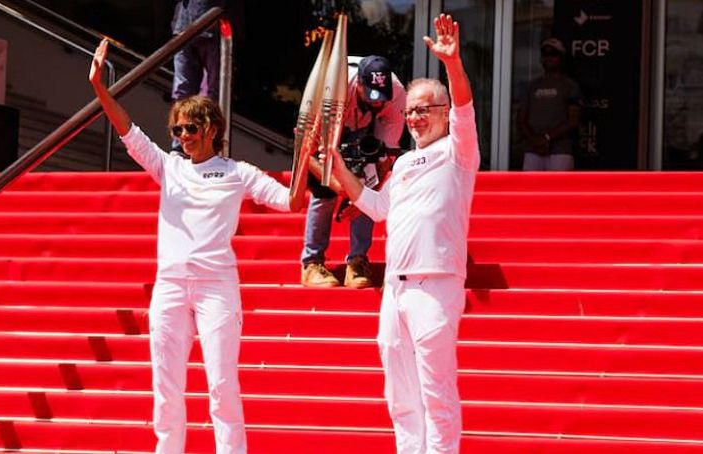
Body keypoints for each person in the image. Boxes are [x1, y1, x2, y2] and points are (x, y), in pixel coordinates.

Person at [89, 39, 308, 454]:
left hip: (216, 288)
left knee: (222, 385)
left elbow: (291, 202)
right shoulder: (168, 167)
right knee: (166, 385)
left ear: (211, 129)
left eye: (190, 128)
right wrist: (101, 87)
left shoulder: (238, 172)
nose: (183, 136)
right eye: (178, 129)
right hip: (170, 286)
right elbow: (127, 129)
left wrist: (307, 157)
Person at [325, 14, 478, 452]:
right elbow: (376, 207)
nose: (413, 118)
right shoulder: (407, 162)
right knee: (400, 393)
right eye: (409, 110)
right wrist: (336, 165)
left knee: (436, 390)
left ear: (443, 114)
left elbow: (465, 108)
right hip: (394, 286)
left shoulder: (459, 151)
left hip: (437, 285)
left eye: (423, 110)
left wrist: (452, 64)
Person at [301, 54, 406, 289]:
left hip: (366, 131)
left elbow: (385, 157)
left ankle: (358, 260)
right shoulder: (330, 88)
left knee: (368, 180)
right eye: (371, 96)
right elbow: (306, 151)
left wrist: (364, 198)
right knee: (323, 190)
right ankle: (312, 262)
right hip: (331, 125)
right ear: (358, 84)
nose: (377, 102)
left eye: (382, 98)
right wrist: (340, 188)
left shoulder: (397, 95)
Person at [518, 37, 582, 171]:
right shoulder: (531, 86)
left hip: (560, 150)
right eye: (545, 54)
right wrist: (535, 141)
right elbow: (521, 118)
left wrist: (546, 138)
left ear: (561, 58)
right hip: (533, 150)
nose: (548, 58)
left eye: (553, 54)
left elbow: (573, 120)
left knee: (558, 191)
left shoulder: (570, 86)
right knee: (529, 190)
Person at [171, 0, 225, 102]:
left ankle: (206, 115)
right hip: (183, 27)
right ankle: (182, 115)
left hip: (213, 27)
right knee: (182, 89)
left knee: (213, 90)